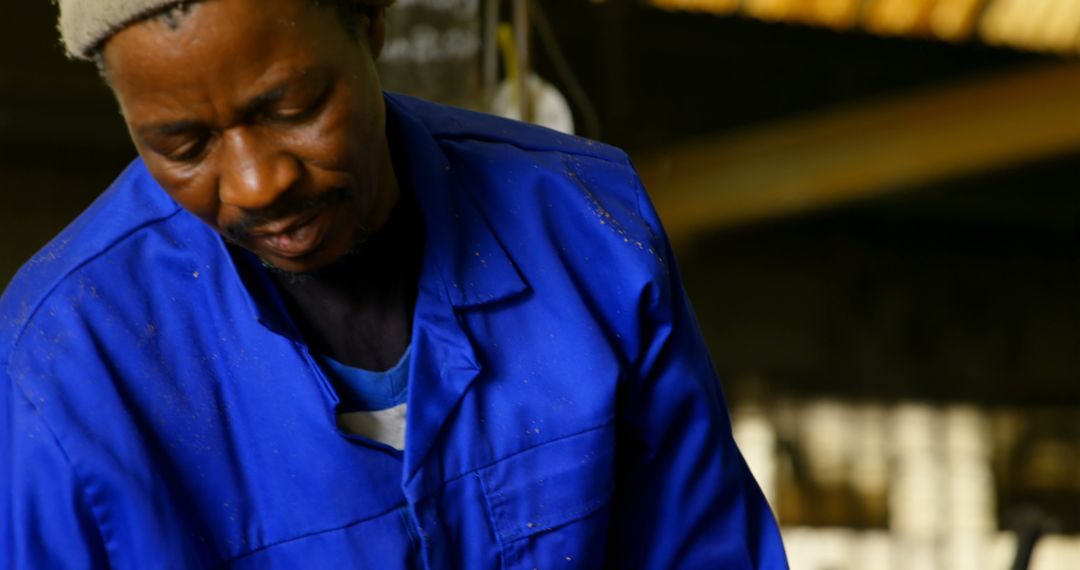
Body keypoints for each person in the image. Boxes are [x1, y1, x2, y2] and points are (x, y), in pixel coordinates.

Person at [0, 0, 787, 567]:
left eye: (294, 107)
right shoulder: (61, 362)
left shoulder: (588, 234)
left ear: (371, 23)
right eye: (182, 145)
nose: (255, 183)